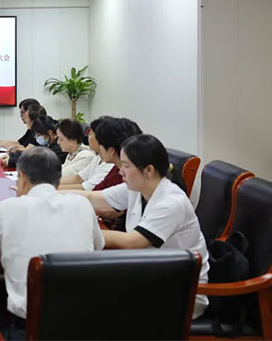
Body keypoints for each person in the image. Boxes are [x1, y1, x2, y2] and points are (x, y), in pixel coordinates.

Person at [0, 147, 104, 339]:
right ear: (58, 178)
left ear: (22, 177)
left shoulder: (7, 208)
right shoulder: (82, 205)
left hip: (28, 330)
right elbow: (98, 247)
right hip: (81, 328)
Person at [72, 134, 209, 319]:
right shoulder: (138, 188)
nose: (120, 172)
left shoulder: (171, 202)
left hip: (180, 291)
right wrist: (46, 196)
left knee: (87, 299)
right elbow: (92, 197)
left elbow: (132, 241)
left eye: (126, 166)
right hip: (151, 274)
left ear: (148, 170)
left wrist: (81, 231)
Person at [58, 116, 114, 190]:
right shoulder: (97, 159)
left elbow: (85, 188)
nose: (88, 137)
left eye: (90, 133)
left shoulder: (87, 156)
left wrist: (53, 187)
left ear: (100, 137)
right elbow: (77, 178)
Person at [1, 115, 67, 168]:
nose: (37, 138)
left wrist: (11, 161)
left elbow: (36, 161)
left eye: (39, 135)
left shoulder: (58, 147)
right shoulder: (50, 144)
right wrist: (11, 156)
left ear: (49, 132)